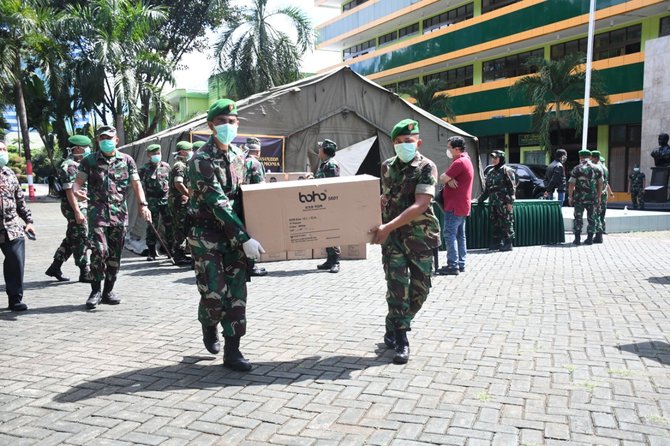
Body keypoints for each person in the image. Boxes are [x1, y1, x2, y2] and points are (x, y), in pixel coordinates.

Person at [187, 98, 265, 372]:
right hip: (207, 235)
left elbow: (257, 199)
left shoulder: (242, 159)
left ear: (238, 124)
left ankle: (233, 352)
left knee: (236, 294)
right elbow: (217, 202)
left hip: (236, 237)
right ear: (211, 126)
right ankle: (208, 324)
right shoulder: (200, 160)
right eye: (221, 122)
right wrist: (245, 238)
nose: (227, 126)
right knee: (214, 295)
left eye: (232, 122)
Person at [371, 119, 440, 365]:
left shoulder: (427, 167)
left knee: (421, 288)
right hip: (393, 241)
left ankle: (395, 323)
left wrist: (388, 225)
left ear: (418, 142)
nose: (403, 146)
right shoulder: (386, 167)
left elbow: (422, 203)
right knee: (397, 287)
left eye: (408, 142)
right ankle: (401, 338)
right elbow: (387, 196)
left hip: (420, 237)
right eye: (399, 142)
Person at [73, 125, 152, 309]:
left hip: (119, 215)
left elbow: (137, 185)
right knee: (99, 251)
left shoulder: (127, 160)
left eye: (109, 138)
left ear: (116, 140)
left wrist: (143, 205)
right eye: (102, 138)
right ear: (98, 141)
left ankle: (108, 290)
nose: (106, 141)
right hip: (97, 214)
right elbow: (77, 184)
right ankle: (95, 291)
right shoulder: (89, 161)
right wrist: (77, 193)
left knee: (115, 255)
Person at [45, 135, 92, 283]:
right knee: (81, 237)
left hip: (79, 206)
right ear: (78, 148)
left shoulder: (79, 164)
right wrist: (77, 211)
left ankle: (55, 266)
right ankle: (84, 271)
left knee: (72, 237)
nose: (88, 150)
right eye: (86, 147)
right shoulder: (70, 166)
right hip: (74, 207)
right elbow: (69, 191)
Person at [0, 141, 36, 312]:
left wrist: (28, 221)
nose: (2, 152)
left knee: (16, 262)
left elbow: (20, 201)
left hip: (11, 227)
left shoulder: (10, 174)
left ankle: (15, 299)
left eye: (4, 149)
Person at [436, 135, 473, 276]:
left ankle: (453, 265)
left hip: (454, 206)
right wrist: (448, 180)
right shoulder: (466, 160)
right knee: (459, 235)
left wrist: (447, 179)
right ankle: (460, 263)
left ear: (457, 149)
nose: (448, 150)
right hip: (462, 206)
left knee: (449, 234)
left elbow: (442, 177)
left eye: (450, 148)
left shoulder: (459, 163)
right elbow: (446, 178)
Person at [139, 144, 173, 261]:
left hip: (166, 200)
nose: (156, 156)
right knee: (152, 226)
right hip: (152, 201)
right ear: (148, 155)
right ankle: (152, 252)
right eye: (153, 154)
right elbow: (138, 185)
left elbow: (171, 183)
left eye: (158, 153)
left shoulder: (166, 167)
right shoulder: (144, 169)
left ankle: (170, 250)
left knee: (169, 226)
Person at [478, 150, 516, 252]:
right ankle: (497, 242)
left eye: (496, 158)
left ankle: (508, 243)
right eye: (493, 158)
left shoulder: (506, 170)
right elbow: (487, 190)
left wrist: (509, 202)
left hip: (504, 202)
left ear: (501, 158)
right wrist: (479, 200)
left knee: (506, 222)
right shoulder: (491, 172)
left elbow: (512, 188)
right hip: (493, 202)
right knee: (495, 222)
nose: (493, 160)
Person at [314, 139, 341, 274]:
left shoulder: (331, 165)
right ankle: (330, 260)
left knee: (331, 233)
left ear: (325, 151)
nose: (318, 151)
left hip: (329, 205)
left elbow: (332, 186)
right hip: (322, 204)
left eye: (320, 149)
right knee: (325, 233)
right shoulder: (324, 164)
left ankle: (335, 261)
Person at [242, 137, 268, 277]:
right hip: (252, 204)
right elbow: (259, 187)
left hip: (241, 202)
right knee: (252, 233)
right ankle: (250, 266)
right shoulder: (255, 163)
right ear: (258, 151)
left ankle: (246, 264)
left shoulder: (241, 161)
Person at [568, 149, 603, 245]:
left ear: (580, 157)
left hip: (579, 198)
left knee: (578, 217)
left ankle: (577, 239)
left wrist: (570, 197)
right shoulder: (597, 168)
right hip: (593, 198)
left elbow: (571, 184)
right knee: (592, 218)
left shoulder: (577, 168)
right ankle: (590, 239)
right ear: (590, 157)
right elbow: (600, 184)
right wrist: (599, 197)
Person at [168, 140, 194, 266]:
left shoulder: (183, 164)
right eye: (189, 150)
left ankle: (180, 253)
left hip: (180, 200)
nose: (191, 152)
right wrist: (189, 195)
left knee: (182, 227)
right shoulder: (180, 165)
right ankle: (179, 255)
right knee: (181, 227)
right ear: (182, 152)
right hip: (180, 201)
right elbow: (178, 183)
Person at [590, 151, 614, 243]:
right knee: (602, 214)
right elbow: (606, 183)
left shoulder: (596, 168)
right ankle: (602, 230)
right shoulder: (605, 168)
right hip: (604, 194)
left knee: (595, 214)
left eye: (592, 158)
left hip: (597, 194)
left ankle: (598, 235)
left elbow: (597, 183)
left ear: (594, 158)